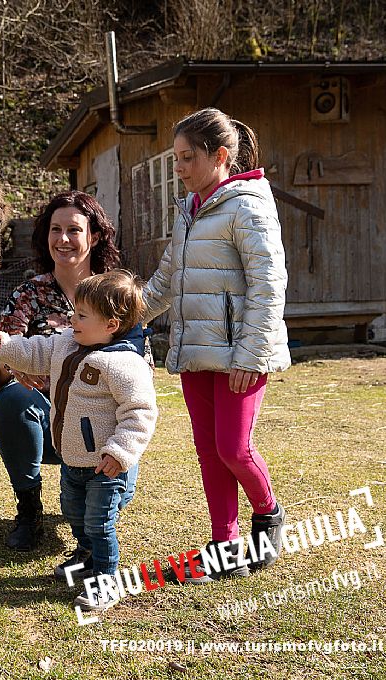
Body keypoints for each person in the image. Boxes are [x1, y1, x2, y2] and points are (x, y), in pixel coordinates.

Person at [143, 107, 290, 583]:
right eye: (176, 159)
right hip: (195, 354)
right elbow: (164, 283)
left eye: (187, 158)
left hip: (239, 356)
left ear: (221, 155)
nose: (179, 168)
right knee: (209, 451)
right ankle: (223, 545)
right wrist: (118, 320)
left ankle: (268, 514)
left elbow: (269, 283)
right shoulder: (187, 212)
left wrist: (252, 354)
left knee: (234, 449)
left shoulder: (249, 206)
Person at [0, 270, 158, 612]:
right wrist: (5, 346)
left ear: (111, 325)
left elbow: (141, 412)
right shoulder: (66, 342)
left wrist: (121, 452)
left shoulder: (125, 364)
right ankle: (87, 558)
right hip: (73, 459)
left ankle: (105, 582)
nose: (72, 320)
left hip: (106, 466)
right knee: (75, 515)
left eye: (81, 315)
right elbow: (34, 350)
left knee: (99, 523)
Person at [0, 191, 122, 552]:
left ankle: (91, 503)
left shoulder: (115, 293)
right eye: (55, 229)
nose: (63, 240)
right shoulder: (30, 292)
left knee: (107, 506)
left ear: (93, 236)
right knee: (13, 398)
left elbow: (141, 369)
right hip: (48, 423)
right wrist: (10, 365)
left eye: (74, 230)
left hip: (100, 427)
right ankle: (29, 509)